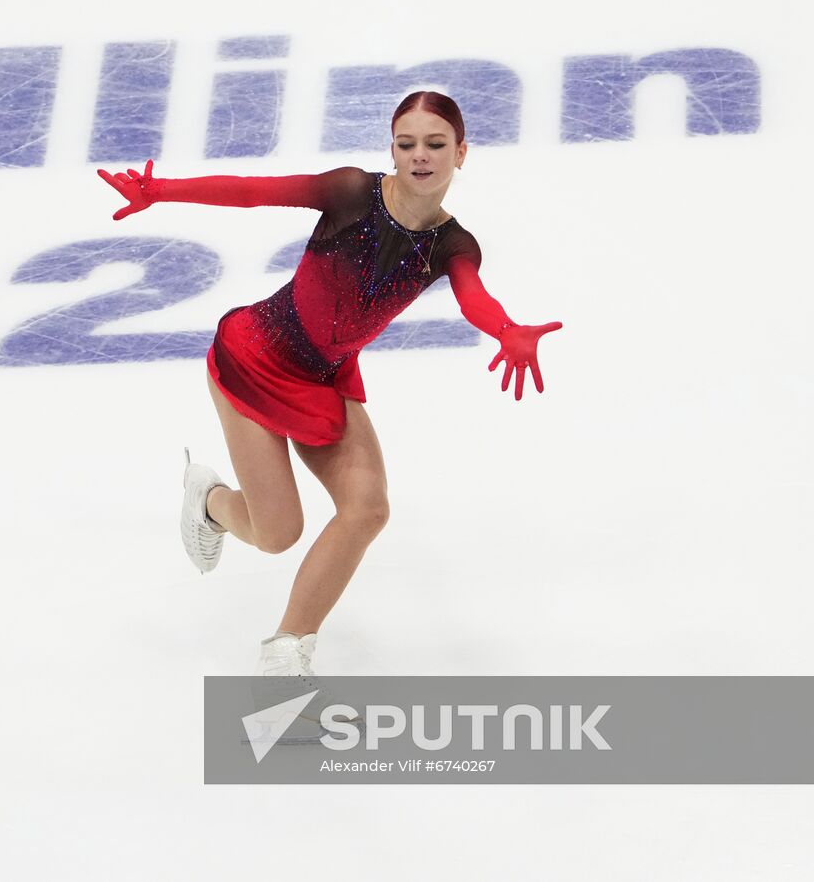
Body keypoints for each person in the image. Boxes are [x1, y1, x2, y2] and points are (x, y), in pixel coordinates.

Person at [97, 91, 562, 676]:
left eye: (436, 144)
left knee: (366, 509)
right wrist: (161, 191)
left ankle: (287, 652)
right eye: (407, 143)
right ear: (391, 149)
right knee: (277, 534)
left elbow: (474, 295)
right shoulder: (349, 192)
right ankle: (210, 502)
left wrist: (506, 330)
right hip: (255, 356)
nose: (420, 156)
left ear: (461, 153)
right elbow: (253, 191)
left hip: (323, 375)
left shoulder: (452, 245)